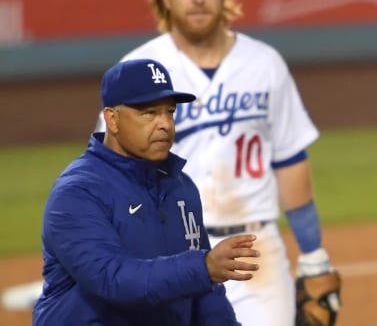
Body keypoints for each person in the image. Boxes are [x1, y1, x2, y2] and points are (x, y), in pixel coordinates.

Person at [97, 0, 341, 326]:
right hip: (165, 250)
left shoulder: (265, 64)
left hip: (254, 252)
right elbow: (108, 172)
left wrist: (313, 256)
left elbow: (291, 162)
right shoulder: (139, 68)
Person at [33, 59, 260, 326]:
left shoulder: (180, 188)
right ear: (112, 120)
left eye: (170, 112)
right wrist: (203, 266)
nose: (165, 124)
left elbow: (204, 292)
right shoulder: (78, 193)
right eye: (150, 113)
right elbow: (112, 279)